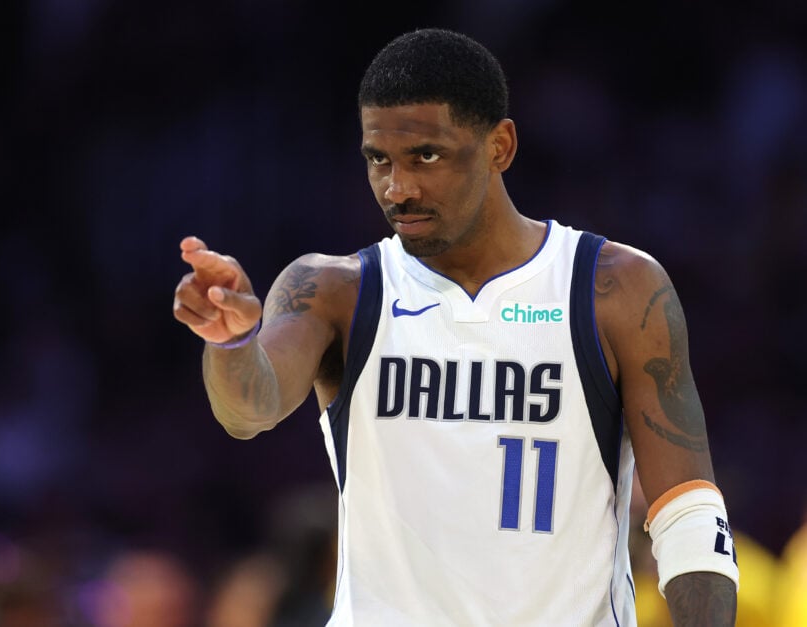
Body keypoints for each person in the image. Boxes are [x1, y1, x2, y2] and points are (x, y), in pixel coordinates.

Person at [173, 28, 739, 626]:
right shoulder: (336, 291)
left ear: (500, 146)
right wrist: (231, 341)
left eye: (427, 155)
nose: (398, 188)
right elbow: (248, 410)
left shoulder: (614, 289)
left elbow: (690, 514)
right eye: (378, 159)